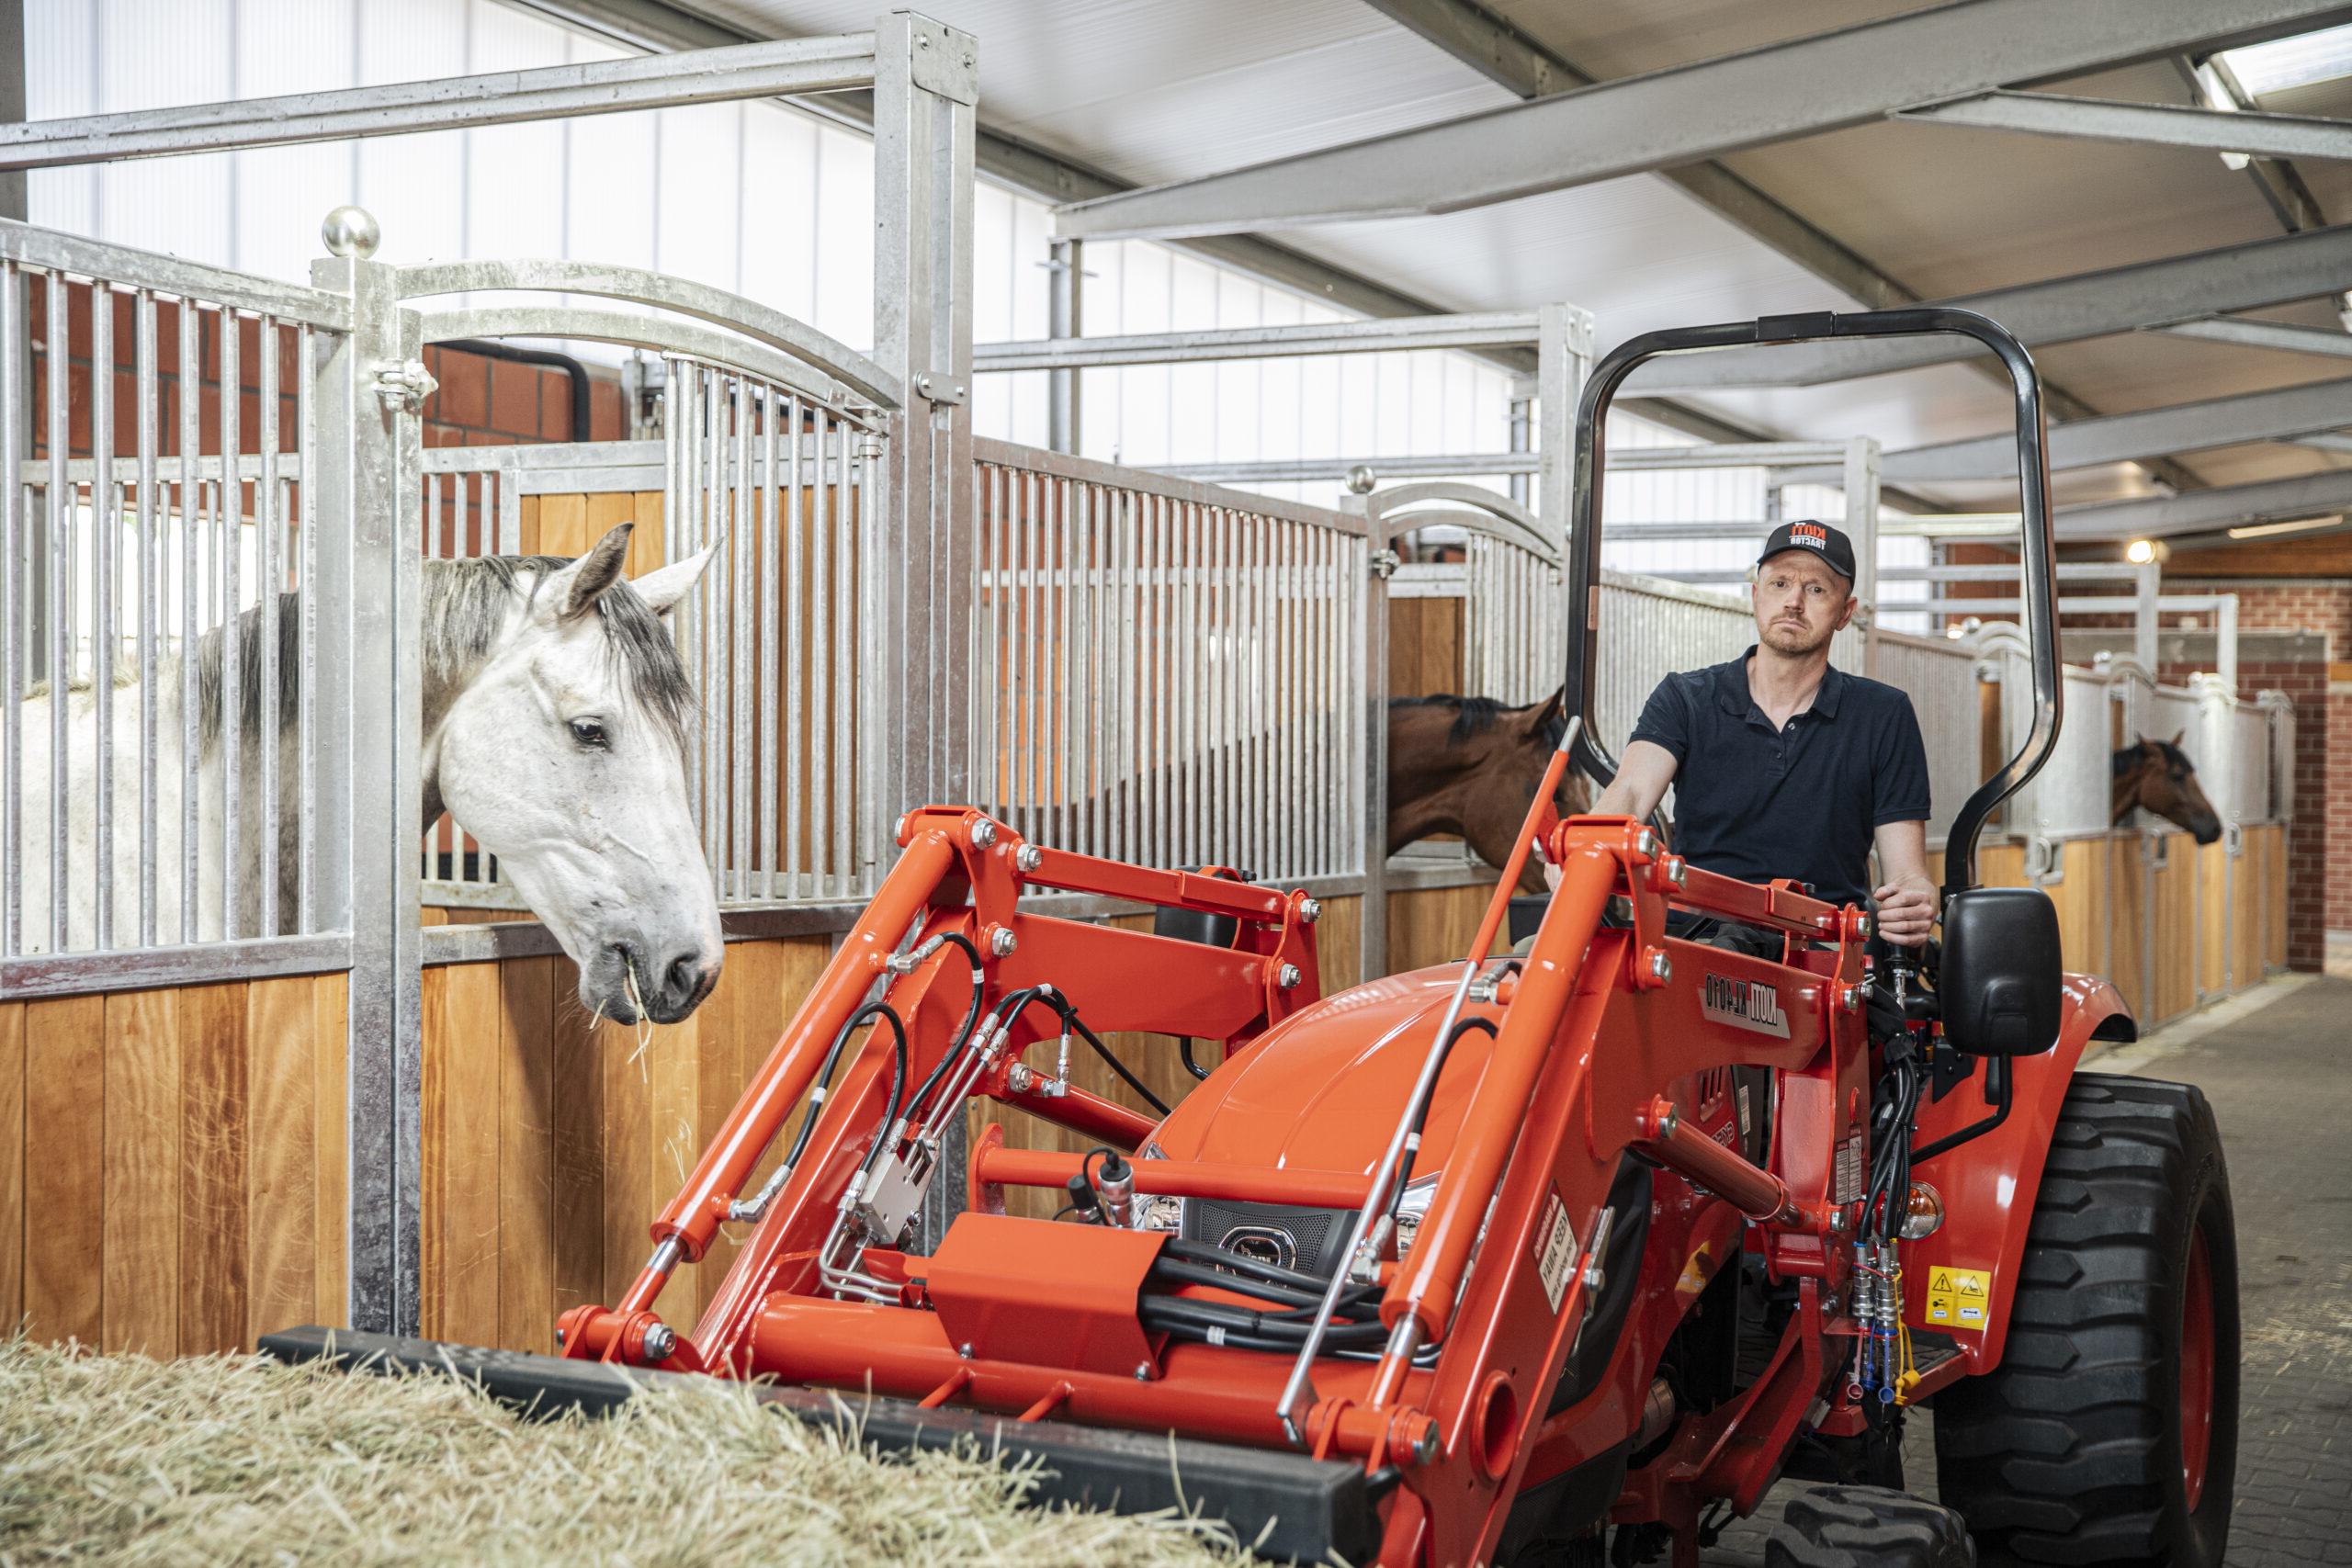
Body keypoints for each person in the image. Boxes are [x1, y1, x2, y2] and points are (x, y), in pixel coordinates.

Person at [1546, 519, 1937, 948]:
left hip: (1819, 951)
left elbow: (1906, 874)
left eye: (1817, 589)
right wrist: (1585, 849)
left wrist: (1915, 902)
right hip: (1696, 941)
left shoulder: (1882, 713)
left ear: (1845, 612)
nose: (1794, 601)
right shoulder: (1687, 697)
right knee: (1539, 963)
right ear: (1755, 596)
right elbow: (1633, 791)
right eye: (1780, 583)